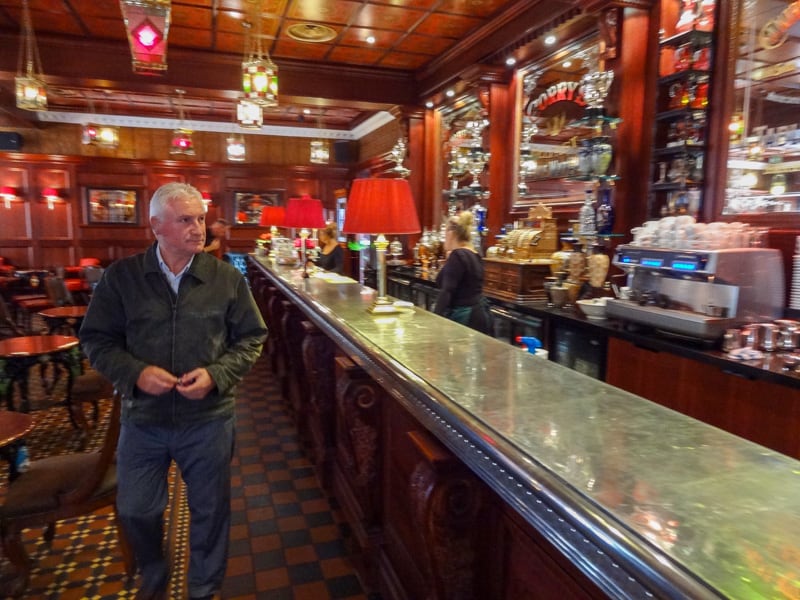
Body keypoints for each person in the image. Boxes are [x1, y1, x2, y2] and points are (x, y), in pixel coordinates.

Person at [79, 183, 267, 600]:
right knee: (136, 509)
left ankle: (203, 588)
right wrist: (135, 372)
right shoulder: (123, 278)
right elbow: (95, 339)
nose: (198, 229)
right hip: (144, 417)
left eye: (200, 218)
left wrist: (217, 375)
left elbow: (252, 338)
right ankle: (155, 571)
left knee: (210, 513)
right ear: (156, 226)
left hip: (209, 419)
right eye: (185, 220)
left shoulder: (225, 277)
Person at [434, 211, 493, 335]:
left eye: (444, 233)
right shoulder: (474, 254)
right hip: (480, 314)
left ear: (451, 233)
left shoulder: (458, 255)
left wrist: (435, 321)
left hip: (465, 318)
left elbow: (446, 291)